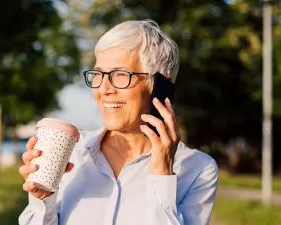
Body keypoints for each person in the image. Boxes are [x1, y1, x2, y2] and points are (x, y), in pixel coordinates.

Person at [18, 20, 218, 225]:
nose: (104, 89)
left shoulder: (198, 170)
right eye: (98, 74)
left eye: (120, 75)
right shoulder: (72, 152)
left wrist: (163, 176)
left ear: (160, 85)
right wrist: (43, 199)